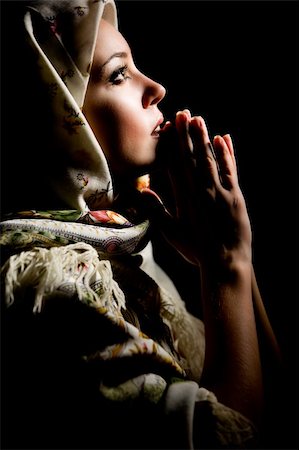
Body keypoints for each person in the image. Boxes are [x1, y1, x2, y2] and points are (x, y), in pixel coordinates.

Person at [0, 0, 283, 449]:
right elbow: (235, 436)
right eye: (118, 75)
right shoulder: (57, 285)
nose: (156, 88)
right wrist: (226, 264)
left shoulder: (125, 248)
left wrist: (231, 262)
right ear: (59, 121)